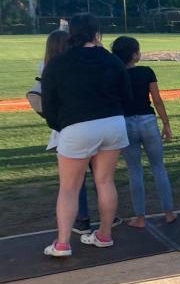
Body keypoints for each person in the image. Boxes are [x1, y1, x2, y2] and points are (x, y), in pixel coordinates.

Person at [40, 14, 131, 257]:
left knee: (69, 188)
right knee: (105, 181)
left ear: (72, 32)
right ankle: (104, 235)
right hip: (113, 124)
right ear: (96, 32)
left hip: (77, 127)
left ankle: (62, 243)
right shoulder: (112, 61)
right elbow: (127, 96)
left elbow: (49, 105)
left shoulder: (58, 64)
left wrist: (60, 125)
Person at [111, 36, 176, 228]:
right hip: (148, 121)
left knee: (134, 171)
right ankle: (169, 212)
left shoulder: (116, 74)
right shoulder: (146, 71)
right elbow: (156, 100)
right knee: (158, 167)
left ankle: (140, 217)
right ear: (134, 54)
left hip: (126, 123)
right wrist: (166, 123)